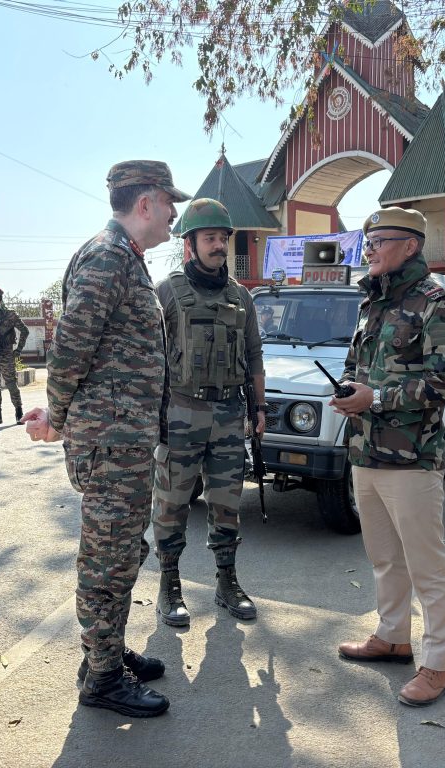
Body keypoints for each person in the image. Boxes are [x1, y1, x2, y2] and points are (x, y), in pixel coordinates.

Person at [22, 160, 188, 718]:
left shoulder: (125, 258)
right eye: (170, 203)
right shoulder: (107, 256)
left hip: (125, 437)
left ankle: (107, 651)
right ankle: (101, 678)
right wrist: (59, 417)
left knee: (120, 551)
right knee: (107, 558)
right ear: (146, 203)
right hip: (109, 440)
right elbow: (70, 348)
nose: (174, 214)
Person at [332, 207, 445, 707]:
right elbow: (357, 363)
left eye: (379, 241)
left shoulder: (437, 302)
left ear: (410, 245)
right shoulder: (373, 303)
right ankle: (393, 636)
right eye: (367, 242)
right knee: (384, 558)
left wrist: (377, 399)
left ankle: (438, 665)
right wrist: (349, 390)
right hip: (366, 452)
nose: (369, 250)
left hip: (412, 458)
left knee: (427, 567)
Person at [151, 197, 266, 627]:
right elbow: (153, 357)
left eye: (222, 238)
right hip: (180, 411)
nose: (219, 245)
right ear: (190, 244)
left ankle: (227, 581)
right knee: (172, 503)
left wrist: (259, 408)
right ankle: (169, 585)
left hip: (228, 414)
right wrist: (154, 416)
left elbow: (254, 355)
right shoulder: (167, 291)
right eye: (210, 238)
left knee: (227, 503)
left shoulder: (242, 297)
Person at [0, 285, 29, 426]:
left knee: (11, 384)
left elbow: (25, 331)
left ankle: (19, 412)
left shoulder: (10, 314)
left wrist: (18, 350)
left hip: (5, 355)